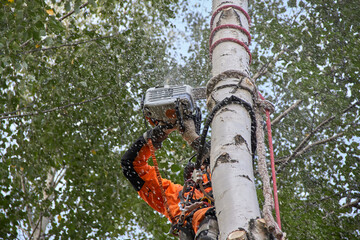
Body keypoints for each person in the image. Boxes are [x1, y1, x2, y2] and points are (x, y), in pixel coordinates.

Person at [121, 119, 219, 240]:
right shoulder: (176, 195)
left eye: (206, 164)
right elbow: (130, 165)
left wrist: (194, 138)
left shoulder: (238, 185)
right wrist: (157, 134)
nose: (202, 168)